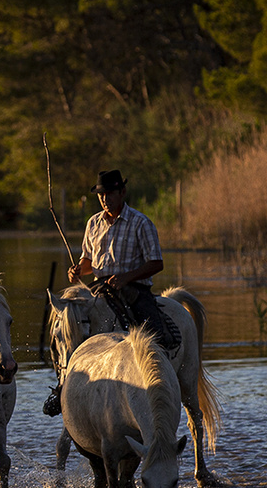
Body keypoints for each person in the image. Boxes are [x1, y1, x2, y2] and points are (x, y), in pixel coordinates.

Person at [43, 169, 175, 416]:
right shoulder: (93, 223)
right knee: (68, 330)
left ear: (122, 192)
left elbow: (156, 263)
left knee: (156, 334)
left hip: (134, 288)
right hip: (99, 288)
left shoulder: (141, 222)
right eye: (101, 195)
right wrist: (77, 271)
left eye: (110, 194)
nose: (105, 199)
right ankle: (63, 386)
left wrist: (127, 277)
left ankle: (161, 377)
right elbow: (88, 261)